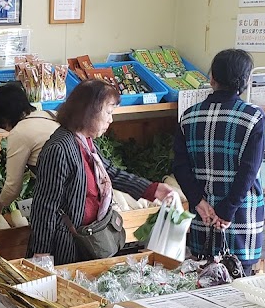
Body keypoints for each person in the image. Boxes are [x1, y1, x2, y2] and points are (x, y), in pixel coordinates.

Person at [27, 80, 174, 263]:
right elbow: (45, 205)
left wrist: (152, 190)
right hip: (65, 246)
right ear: (89, 112)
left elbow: (110, 172)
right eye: (108, 112)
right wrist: (42, 252)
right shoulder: (60, 148)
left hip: (88, 238)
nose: (111, 120)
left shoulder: (84, 140)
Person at [173, 48, 265, 274]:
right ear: (244, 81)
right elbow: (249, 171)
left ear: (212, 77)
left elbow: (180, 167)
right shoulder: (253, 117)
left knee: (203, 280)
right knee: (241, 284)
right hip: (241, 216)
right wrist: (227, 209)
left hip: (203, 216)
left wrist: (199, 202)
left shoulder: (189, 116)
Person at [0, 82, 60, 215]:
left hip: (61, 196)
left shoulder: (19, 132)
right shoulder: (52, 114)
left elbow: (13, 187)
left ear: (3, 120)